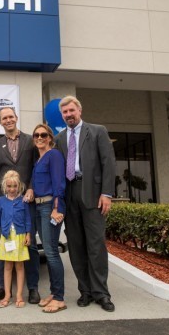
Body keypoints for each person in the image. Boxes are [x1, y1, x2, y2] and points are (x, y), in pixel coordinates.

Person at [55, 95, 117, 312]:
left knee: (96, 245)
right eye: (65, 112)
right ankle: (85, 291)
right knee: (76, 246)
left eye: (71, 110)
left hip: (92, 192)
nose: (68, 115)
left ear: (79, 111)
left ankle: (101, 293)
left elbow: (108, 163)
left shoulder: (97, 131)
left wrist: (106, 193)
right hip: (69, 194)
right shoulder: (59, 138)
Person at [0, 107, 41, 304]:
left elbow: (37, 168)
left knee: (29, 245)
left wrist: (31, 188)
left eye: (11, 117)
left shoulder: (30, 141)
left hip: (26, 200)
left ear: (16, 118)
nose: (8, 120)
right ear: (0, 122)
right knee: (4, 245)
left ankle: (32, 288)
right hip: (6, 203)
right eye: (4, 118)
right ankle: (2, 288)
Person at [30, 123, 67, 314]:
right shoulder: (39, 159)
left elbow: (59, 182)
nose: (39, 137)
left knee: (51, 252)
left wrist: (57, 208)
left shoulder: (54, 155)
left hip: (49, 207)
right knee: (48, 249)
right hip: (38, 207)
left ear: (50, 138)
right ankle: (54, 293)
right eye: (36, 135)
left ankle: (59, 298)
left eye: (43, 135)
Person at [0, 170, 32, 308]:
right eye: (9, 186)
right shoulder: (1, 201)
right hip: (6, 237)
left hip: (20, 236)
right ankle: (7, 295)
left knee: (19, 266)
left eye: (15, 186)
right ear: (5, 186)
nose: (12, 189)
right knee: (7, 266)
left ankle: (19, 295)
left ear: (19, 186)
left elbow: (27, 219)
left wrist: (28, 234)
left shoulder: (23, 201)